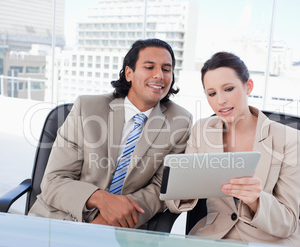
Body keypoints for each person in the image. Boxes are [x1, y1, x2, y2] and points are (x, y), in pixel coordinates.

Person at [28, 38, 192, 229]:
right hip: (56, 219)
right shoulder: (87, 108)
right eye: (149, 67)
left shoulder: (180, 121)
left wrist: (109, 220)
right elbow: (53, 180)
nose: (159, 75)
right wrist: (102, 199)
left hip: (122, 229)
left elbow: (160, 188)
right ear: (129, 73)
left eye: (166, 69)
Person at [165, 52, 300, 247]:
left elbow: (288, 221)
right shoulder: (202, 129)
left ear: (248, 86)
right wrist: (186, 191)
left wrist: (256, 200)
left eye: (229, 89)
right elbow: (176, 198)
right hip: (215, 240)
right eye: (212, 93)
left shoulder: (288, 138)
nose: (221, 100)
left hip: (269, 243)